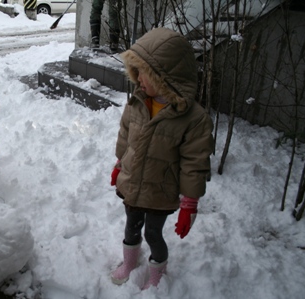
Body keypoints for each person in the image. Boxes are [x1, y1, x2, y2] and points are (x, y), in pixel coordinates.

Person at [110, 27, 214, 290]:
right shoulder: (137, 102)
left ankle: (157, 274)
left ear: (166, 78)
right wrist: (119, 165)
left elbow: (195, 163)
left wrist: (189, 204)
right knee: (131, 227)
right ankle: (130, 263)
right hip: (133, 182)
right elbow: (126, 137)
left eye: (144, 73)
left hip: (161, 191)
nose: (138, 80)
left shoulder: (193, 119)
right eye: (136, 72)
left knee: (153, 234)